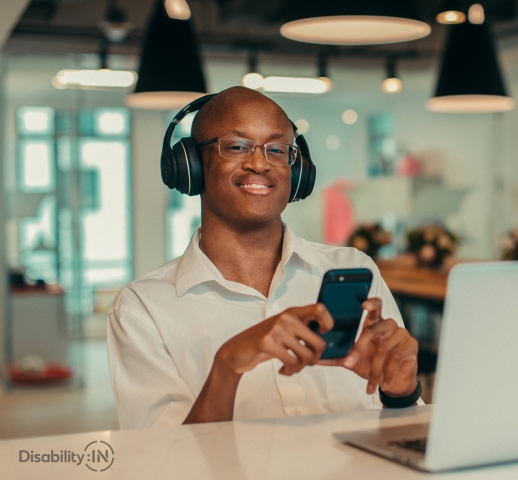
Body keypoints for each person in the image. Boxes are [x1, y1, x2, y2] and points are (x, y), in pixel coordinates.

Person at [107, 87, 420, 429]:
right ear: (191, 165)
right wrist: (227, 366)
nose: (259, 163)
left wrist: (400, 392)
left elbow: (406, 431)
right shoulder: (143, 309)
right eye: (237, 146)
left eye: (276, 150)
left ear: (296, 170)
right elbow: (162, 462)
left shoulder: (354, 269)